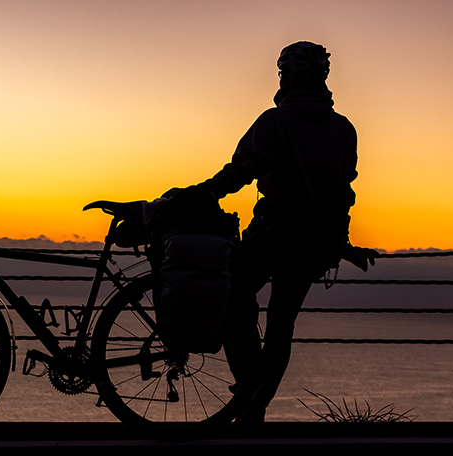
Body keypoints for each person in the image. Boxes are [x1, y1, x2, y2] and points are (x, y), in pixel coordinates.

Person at [179, 41, 379, 427]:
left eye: (283, 72)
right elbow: (344, 195)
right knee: (281, 325)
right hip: (317, 244)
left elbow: (238, 174)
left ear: (292, 76)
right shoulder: (345, 129)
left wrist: (195, 196)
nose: (281, 78)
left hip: (273, 235)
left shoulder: (275, 121)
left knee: (233, 299)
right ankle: (256, 401)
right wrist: (342, 242)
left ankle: (251, 393)